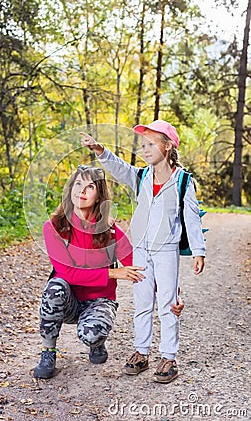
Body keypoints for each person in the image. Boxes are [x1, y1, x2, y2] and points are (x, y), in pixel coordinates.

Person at [80, 120, 205, 384]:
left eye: (151, 144)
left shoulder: (183, 181)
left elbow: (192, 218)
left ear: (168, 146)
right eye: (143, 145)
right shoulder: (142, 176)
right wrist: (100, 149)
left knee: (168, 302)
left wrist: (198, 251)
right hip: (142, 249)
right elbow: (119, 168)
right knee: (142, 301)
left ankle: (169, 356)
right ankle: (142, 351)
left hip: (166, 249)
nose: (145, 149)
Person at [33, 165, 146, 379]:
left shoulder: (110, 231)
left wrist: (169, 294)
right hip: (69, 300)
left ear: (99, 195)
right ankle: (48, 352)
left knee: (92, 334)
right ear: (70, 189)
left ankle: (97, 344)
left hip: (100, 301)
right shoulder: (54, 227)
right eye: (78, 184)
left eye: (89, 186)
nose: (81, 191)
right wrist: (113, 274)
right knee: (55, 287)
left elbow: (138, 266)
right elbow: (67, 273)